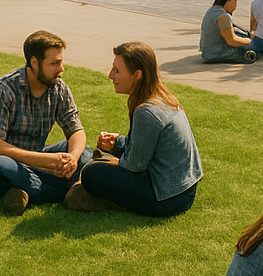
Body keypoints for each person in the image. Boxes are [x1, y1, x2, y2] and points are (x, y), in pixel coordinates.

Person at [68, 41, 202, 216]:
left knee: (91, 173)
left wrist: (115, 161)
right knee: (99, 164)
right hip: (182, 189)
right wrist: (117, 144)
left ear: (137, 75)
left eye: (116, 70)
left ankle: (108, 200)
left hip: (166, 198)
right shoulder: (163, 98)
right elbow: (147, 150)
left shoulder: (147, 112)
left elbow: (135, 166)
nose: (110, 75)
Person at [0, 30, 91, 215]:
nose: (61, 68)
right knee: (3, 167)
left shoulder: (59, 88)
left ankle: (24, 192)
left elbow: (75, 130)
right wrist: (47, 162)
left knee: (84, 153)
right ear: (34, 62)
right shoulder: (4, 89)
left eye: (61, 62)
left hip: (33, 157)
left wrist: (71, 157)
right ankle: (67, 189)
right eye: (54, 63)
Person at [200, 0, 258, 64]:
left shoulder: (211, 10)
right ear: (230, 0)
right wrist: (249, 41)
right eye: (235, 1)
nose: (235, 5)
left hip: (207, 52)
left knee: (239, 33)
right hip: (216, 53)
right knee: (254, 46)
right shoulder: (223, 16)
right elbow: (232, 41)